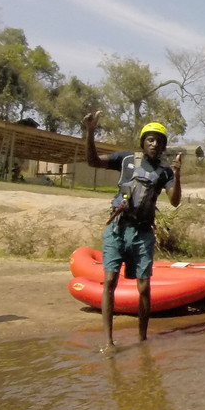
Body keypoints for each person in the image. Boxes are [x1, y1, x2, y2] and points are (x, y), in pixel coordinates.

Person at [83, 112, 182, 349]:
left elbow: (175, 201)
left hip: (142, 233)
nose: (154, 144)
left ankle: (142, 340)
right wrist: (89, 132)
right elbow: (93, 161)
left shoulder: (166, 171)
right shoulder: (126, 159)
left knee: (144, 287)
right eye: (150, 139)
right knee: (109, 282)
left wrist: (178, 175)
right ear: (142, 141)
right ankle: (108, 342)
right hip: (118, 230)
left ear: (164, 146)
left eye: (159, 141)